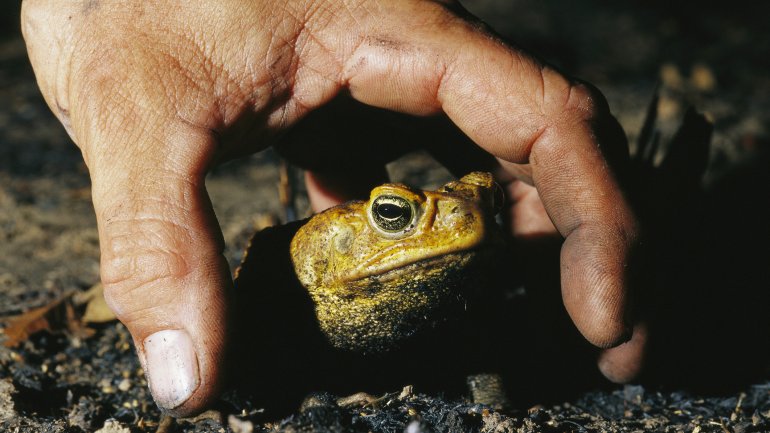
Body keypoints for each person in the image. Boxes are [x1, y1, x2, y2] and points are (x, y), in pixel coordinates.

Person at [21, 0, 644, 416]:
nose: (464, 217)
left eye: (483, 201)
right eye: (396, 215)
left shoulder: (459, 279)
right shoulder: (298, 281)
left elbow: (482, 346)